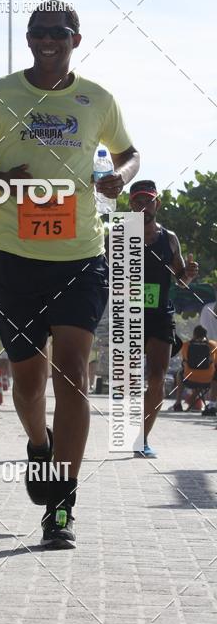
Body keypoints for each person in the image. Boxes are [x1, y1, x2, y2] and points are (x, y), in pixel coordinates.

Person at [0, 0, 140, 549]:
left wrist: (118, 178)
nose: (47, 40)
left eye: (58, 33)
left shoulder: (97, 99)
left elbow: (129, 154)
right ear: (29, 39)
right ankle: (38, 443)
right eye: (38, 33)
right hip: (13, 255)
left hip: (81, 253)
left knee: (74, 373)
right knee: (29, 381)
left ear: (76, 39)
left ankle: (61, 504)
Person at [129, 180, 198, 455]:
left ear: (156, 204)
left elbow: (180, 279)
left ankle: (142, 439)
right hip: (128, 314)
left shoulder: (169, 238)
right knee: (127, 381)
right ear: (131, 204)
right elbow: (105, 272)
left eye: (148, 201)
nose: (143, 206)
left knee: (156, 378)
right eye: (137, 201)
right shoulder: (120, 234)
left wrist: (188, 275)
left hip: (160, 314)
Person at [171, 325, 217, 411]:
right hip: (208, 381)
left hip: (190, 379)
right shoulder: (213, 345)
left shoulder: (186, 345)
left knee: (180, 373)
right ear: (205, 335)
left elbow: (184, 362)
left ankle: (178, 403)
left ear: (194, 335)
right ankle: (212, 404)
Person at [199, 287, 217, 415]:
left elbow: (202, 328)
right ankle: (212, 404)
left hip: (208, 351)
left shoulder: (206, 308)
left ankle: (212, 404)